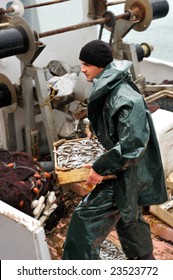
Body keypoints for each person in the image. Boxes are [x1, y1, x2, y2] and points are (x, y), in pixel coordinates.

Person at [62, 39, 168, 260]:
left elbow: (132, 145)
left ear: (100, 65)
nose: (82, 69)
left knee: (84, 221)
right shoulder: (111, 85)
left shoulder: (124, 98)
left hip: (126, 174)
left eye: (86, 64)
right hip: (128, 170)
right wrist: (96, 129)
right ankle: (146, 264)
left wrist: (100, 167)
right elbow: (116, 126)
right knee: (129, 218)